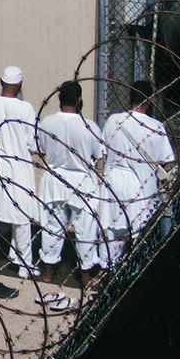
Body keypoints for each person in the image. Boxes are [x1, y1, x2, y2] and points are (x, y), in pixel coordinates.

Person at [98, 80, 175, 269]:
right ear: (149, 101)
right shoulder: (156, 127)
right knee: (139, 232)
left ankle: (108, 272)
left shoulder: (113, 121)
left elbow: (104, 152)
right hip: (141, 185)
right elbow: (167, 161)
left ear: (130, 98)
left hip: (113, 180)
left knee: (111, 228)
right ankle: (133, 271)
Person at [37, 80, 105, 287]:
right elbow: (99, 154)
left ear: (59, 98)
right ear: (80, 99)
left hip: (55, 179)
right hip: (81, 180)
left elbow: (41, 147)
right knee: (86, 229)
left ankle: (48, 271)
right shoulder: (89, 126)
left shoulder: (47, 122)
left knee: (52, 227)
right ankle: (86, 275)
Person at [0, 65, 40, 276]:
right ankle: (23, 263)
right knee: (20, 216)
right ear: (20, 84)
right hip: (17, 165)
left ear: (0, 81)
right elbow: (32, 143)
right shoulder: (26, 109)